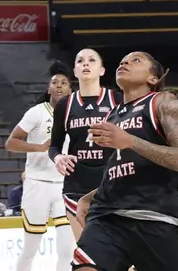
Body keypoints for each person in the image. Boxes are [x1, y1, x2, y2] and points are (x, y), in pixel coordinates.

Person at [74, 52, 178, 271]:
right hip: (107, 215)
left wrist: (130, 141)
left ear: (153, 78)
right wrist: (89, 197)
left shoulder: (163, 101)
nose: (124, 62)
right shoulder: (112, 116)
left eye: (136, 60)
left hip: (156, 215)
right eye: (122, 61)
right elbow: (120, 171)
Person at [5, 64, 73, 271]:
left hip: (64, 186)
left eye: (64, 83)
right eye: (55, 83)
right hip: (38, 184)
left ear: (71, 90)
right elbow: (11, 142)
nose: (59, 86)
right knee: (30, 248)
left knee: (67, 249)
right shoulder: (36, 112)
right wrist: (39, 147)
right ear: (48, 89)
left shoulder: (76, 115)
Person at [49, 48, 119, 240]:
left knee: (123, 257)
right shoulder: (65, 104)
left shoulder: (116, 100)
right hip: (76, 185)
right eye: (80, 61)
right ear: (75, 71)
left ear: (102, 70)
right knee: (88, 254)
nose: (85, 64)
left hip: (112, 183)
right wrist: (58, 157)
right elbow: (54, 145)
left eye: (91, 60)